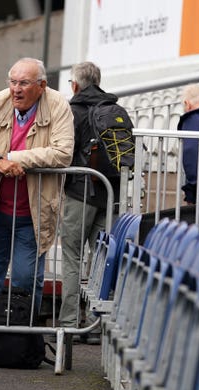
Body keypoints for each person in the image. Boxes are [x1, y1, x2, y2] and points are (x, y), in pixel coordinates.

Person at [0, 57, 74, 325]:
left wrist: (14, 158)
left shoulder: (58, 105)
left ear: (42, 85)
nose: (16, 89)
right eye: (12, 82)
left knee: (26, 278)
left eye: (24, 83)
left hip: (33, 215)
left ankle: (23, 340)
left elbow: (63, 153)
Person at [58, 61, 119, 344]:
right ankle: (96, 325)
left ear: (74, 85)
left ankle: (70, 323)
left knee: (72, 257)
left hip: (79, 193)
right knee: (102, 260)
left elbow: (65, 153)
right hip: (109, 193)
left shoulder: (73, 111)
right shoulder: (113, 108)